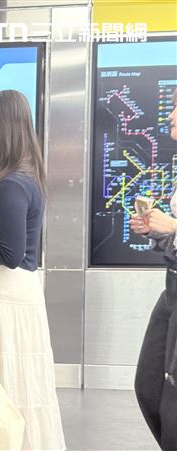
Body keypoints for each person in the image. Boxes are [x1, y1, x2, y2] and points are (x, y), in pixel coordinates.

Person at [0, 90, 66, 450]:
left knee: (4, 387)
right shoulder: (23, 174)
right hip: (12, 296)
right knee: (19, 387)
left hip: (4, 296)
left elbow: (11, 253)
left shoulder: (11, 183)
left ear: (2, 127)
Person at [130, 89, 177, 450]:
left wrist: (172, 227)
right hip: (172, 288)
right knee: (149, 385)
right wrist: (157, 232)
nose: (171, 115)